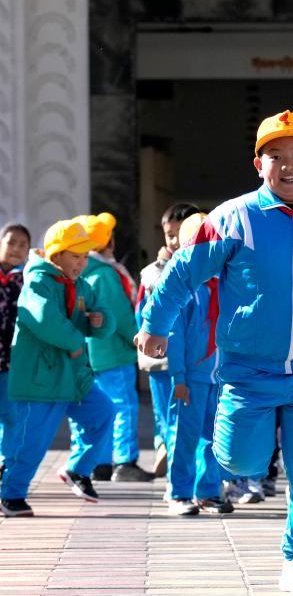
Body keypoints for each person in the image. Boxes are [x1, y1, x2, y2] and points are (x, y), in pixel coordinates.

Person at [136, 109, 293, 595]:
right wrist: (155, 325)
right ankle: (244, 461)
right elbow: (182, 273)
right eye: (275, 155)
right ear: (258, 164)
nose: (288, 164)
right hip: (248, 372)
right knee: (242, 461)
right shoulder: (232, 218)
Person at [0, 219, 115, 517]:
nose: (82, 262)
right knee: (31, 442)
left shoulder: (81, 285)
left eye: (85, 256)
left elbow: (104, 311)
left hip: (74, 377)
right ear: (56, 255)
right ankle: (11, 495)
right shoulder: (37, 282)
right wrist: (75, 341)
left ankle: (77, 468)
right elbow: (43, 319)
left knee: (104, 412)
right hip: (41, 380)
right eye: (75, 256)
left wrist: (101, 321)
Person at [162, 213, 232, 516]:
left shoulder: (228, 286)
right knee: (184, 436)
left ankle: (208, 491)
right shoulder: (185, 288)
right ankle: (179, 492)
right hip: (191, 378)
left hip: (220, 378)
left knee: (215, 437)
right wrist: (178, 377)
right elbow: (174, 335)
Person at [79, 213, 153, 482]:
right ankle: (125, 462)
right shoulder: (106, 275)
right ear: (107, 241)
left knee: (101, 409)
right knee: (124, 407)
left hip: (93, 354)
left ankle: (100, 463)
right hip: (114, 353)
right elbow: (121, 316)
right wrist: (140, 339)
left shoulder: (84, 271)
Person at [137, 202, 202, 478]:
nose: (175, 241)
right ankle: (168, 454)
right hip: (161, 360)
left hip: (193, 362)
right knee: (165, 414)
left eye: (182, 233)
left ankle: (181, 464)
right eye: (170, 234)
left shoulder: (206, 270)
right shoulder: (153, 272)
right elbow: (142, 312)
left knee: (191, 418)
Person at [0, 223, 31, 478]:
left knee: (12, 415)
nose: (16, 249)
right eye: (11, 242)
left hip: (13, 362)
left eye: (23, 245)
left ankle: (6, 465)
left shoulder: (29, 280)